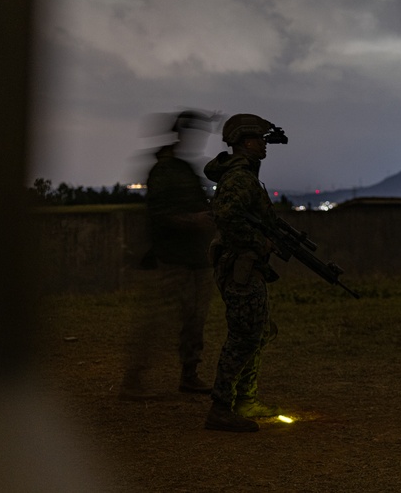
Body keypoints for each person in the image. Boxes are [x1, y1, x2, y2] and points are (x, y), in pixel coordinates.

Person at [119, 111, 217, 400]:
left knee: (195, 319)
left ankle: (189, 374)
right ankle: (133, 378)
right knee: (159, 321)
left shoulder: (184, 169)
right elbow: (160, 214)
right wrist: (193, 220)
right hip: (172, 259)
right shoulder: (164, 170)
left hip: (196, 258)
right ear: (179, 136)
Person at [201, 113, 288, 432]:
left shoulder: (245, 175)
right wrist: (261, 242)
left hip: (247, 265)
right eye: (259, 139)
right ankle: (221, 407)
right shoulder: (239, 177)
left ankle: (245, 399)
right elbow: (227, 218)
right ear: (244, 142)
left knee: (258, 330)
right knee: (244, 334)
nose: (264, 145)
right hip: (239, 265)